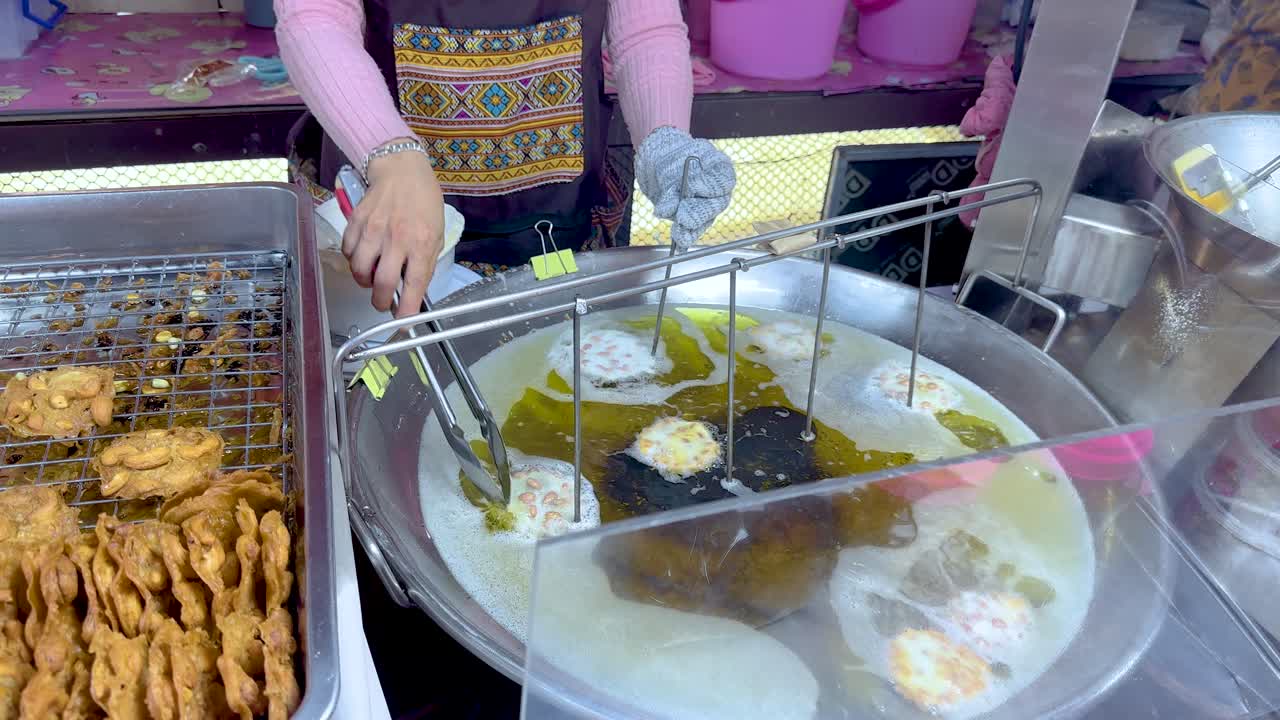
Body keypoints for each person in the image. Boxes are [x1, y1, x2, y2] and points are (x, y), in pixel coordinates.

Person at [276, 0, 737, 318]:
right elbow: (313, 16)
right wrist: (392, 157)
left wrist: (664, 136)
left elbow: (646, 28)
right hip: (383, 205)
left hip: (558, 214)